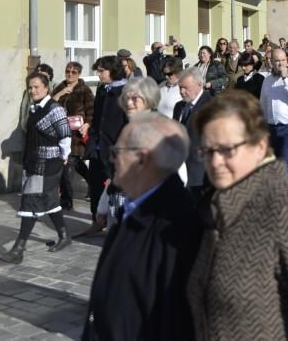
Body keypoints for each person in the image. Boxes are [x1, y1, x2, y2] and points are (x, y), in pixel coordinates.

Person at [187, 91, 288, 339]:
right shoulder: (218, 205)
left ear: (259, 146)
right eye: (208, 151)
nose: (216, 161)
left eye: (227, 150)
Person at [84, 113, 201, 340]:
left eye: (117, 152)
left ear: (142, 159)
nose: (111, 159)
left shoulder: (176, 227)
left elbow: (173, 321)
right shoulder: (133, 208)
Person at [0, 72, 73, 262]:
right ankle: (64, 236)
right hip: (34, 162)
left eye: (36, 87)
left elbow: (65, 135)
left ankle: (18, 249)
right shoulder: (34, 108)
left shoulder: (54, 109)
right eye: (30, 87)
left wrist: (64, 156)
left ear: (47, 88)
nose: (32, 90)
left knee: (30, 202)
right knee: (50, 200)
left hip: (46, 165)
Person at [76, 56, 128, 238]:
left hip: (116, 150)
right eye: (97, 70)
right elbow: (97, 118)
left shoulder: (126, 92)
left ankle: (117, 226)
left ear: (113, 71)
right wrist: (92, 140)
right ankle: (96, 222)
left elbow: (128, 123)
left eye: (101, 71)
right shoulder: (103, 90)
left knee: (116, 190)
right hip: (99, 147)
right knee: (96, 184)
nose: (98, 74)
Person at [51, 62, 95, 211]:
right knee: (76, 164)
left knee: (68, 165)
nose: (70, 74)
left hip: (76, 134)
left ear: (79, 74)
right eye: (68, 71)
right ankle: (93, 182)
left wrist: (87, 125)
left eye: (74, 72)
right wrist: (61, 93)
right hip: (61, 132)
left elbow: (91, 111)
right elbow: (50, 104)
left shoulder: (84, 90)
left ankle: (66, 200)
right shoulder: (60, 87)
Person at [172, 70, 213, 197]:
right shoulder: (179, 106)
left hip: (200, 174)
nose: (182, 91)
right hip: (180, 170)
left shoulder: (211, 106)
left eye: (186, 88)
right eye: (180, 87)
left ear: (199, 85)